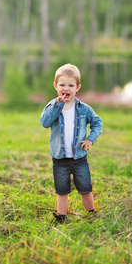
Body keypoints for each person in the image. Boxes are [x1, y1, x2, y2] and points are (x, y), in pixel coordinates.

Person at [40, 63, 103, 223]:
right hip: (60, 159)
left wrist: (90, 139)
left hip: (79, 158)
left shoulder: (83, 109)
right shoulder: (53, 106)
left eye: (70, 85)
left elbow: (97, 123)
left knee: (85, 188)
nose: (66, 88)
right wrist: (57, 104)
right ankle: (61, 216)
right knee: (62, 190)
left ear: (77, 87)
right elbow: (45, 122)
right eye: (62, 85)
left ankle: (91, 214)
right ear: (55, 86)